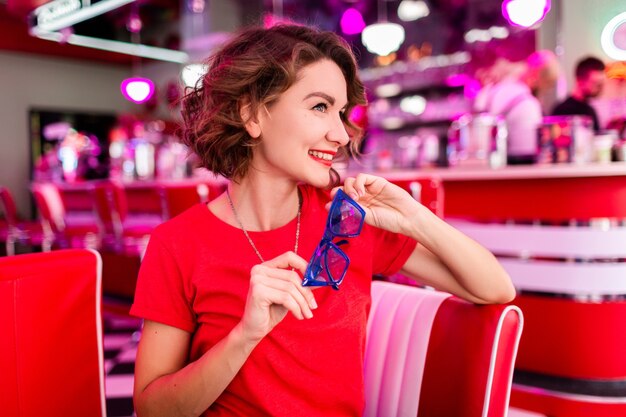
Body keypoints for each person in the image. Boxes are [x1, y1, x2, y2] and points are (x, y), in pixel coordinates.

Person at [130, 24, 516, 417]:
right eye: (320, 107)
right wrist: (246, 335)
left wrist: (415, 218)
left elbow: (495, 289)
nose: (340, 133)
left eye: (342, 112)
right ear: (251, 114)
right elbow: (153, 409)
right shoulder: (178, 243)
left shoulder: (348, 222)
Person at [474, 50, 560, 164]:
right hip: (508, 172)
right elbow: (526, 155)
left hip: (481, 165)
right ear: (538, 77)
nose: (545, 91)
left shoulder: (495, 88)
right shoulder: (528, 104)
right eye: (547, 85)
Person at [552, 56, 606, 132]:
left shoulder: (590, 110)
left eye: (601, 84)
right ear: (580, 80)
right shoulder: (562, 111)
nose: (599, 88)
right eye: (595, 83)